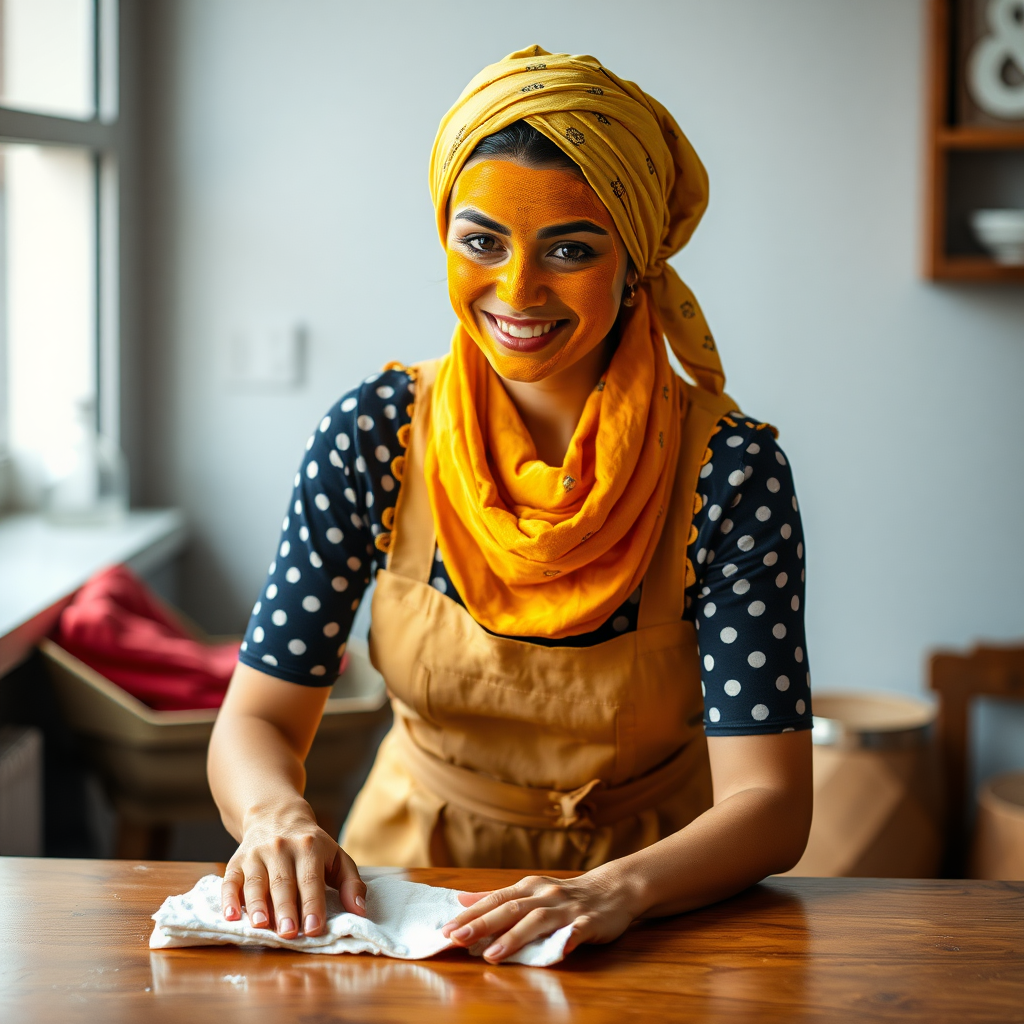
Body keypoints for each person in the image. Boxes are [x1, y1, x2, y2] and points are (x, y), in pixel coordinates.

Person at [207, 45, 813, 964]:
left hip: (653, 907)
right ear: (444, 233)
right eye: (481, 241)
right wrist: (274, 816)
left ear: (637, 258)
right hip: (406, 884)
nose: (517, 291)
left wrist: (615, 890)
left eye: (570, 250)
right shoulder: (379, 435)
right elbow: (255, 719)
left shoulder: (727, 473)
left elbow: (770, 803)